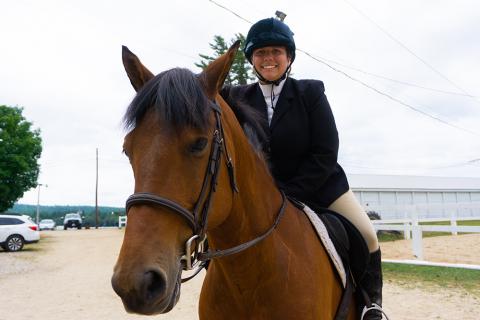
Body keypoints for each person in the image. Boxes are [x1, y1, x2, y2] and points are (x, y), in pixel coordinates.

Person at [221, 17, 383, 319]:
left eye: (276, 52)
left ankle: (371, 306)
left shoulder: (310, 93)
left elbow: (325, 152)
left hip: (320, 185)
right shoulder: (236, 97)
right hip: (263, 197)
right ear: (252, 60)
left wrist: (289, 194)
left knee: (367, 234)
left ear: (289, 57)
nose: (269, 59)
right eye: (261, 53)